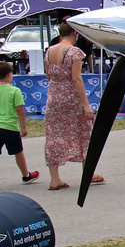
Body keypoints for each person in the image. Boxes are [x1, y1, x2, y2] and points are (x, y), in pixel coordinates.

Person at [44, 20, 103, 191]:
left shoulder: (50, 51)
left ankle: (54, 178)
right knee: (83, 131)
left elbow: (49, 75)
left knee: (54, 134)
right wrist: (86, 104)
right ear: (75, 33)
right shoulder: (74, 52)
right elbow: (76, 79)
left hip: (54, 97)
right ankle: (88, 173)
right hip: (71, 97)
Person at [0, 62, 38, 184]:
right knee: (18, 152)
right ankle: (25, 175)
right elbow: (19, 109)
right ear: (9, 75)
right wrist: (23, 127)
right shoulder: (14, 90)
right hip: (10, 127)